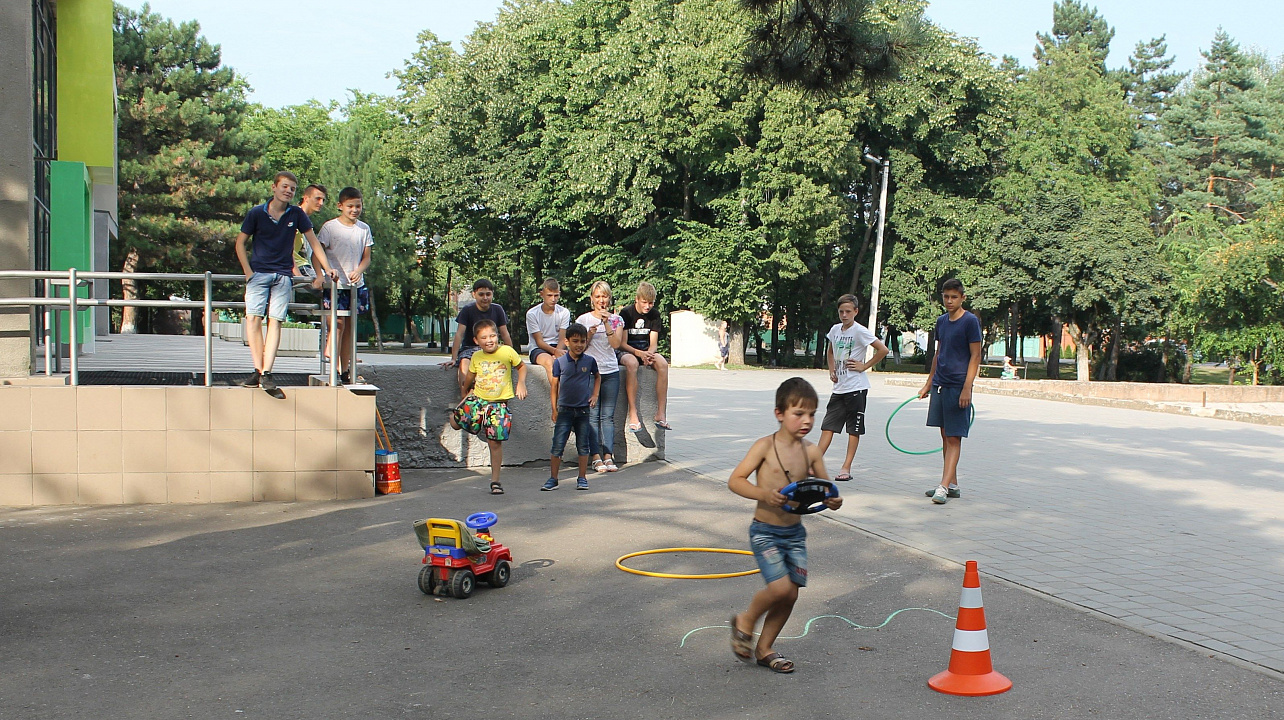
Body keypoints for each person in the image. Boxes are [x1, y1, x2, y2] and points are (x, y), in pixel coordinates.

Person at [728, 377, 841, 674]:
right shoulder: (764, 447)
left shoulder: (812, 451)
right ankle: (746, 620)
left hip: (794, 534)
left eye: (812, 414)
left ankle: (764, 649)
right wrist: (763, 494)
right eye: (798, 413)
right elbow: (735, 481)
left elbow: (824, 488)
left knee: (791, 594)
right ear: (779, 413)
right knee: (779, 588)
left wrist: (832, 500)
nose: (807, 421)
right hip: (765, 532)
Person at [234, 170, 337, 399]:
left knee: (275, 321)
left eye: (292, 188)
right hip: (259, 274)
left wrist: (327, 267)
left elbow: (314, 243)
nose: (288, 191)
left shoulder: (297, 215)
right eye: (284, 187)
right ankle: (257, 370)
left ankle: (267, 371)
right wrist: (248, 272)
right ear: (274, 188)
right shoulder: (256, 213)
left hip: (282, 276)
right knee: (253, 319)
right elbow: (240, 243)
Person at [919, 278, 982, 504]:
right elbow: (939, 353)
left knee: (954, 437)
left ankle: (944, 486)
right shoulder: (941, 321)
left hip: (958, 385)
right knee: (945, 435)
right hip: (941, 384)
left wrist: (967, 388)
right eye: (946, 297)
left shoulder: (970, 321)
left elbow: (975, 355)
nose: (949, 301)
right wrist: (929, 383)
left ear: (962, 297)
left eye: (954, 297)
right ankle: (952, 484)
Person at [449, 319, 527, 495]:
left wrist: (521, 384)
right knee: (455, 422)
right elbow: (470, 376)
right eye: (484, 337)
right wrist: (464, 393)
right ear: (477, 341)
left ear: (497, 336)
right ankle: (457, 415)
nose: (489, 340)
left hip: (498, 406)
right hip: (477, 400)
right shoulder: (476, 356)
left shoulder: (507, 351)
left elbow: (522, 367)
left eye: (492, 335)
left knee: (495, 443)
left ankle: (495, 481)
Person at [817, 294, 888, 482]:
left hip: (856, 388)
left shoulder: (860, 331)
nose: (844, 315)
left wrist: (864, 366)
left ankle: (846, 467)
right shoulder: (835, 330)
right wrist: (832, 370)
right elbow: (830, 350)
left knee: (853, 429)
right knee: (828, 426)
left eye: (848, 311)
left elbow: (883, 350)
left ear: (855, 311)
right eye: (841, 311)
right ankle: (813, 463)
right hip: (839, 388)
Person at [317, 187, 373, 384]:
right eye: (350, 206)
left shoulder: (364, 229)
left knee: (350, 327)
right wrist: (321, 275)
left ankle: (345, 369)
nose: (354, 210)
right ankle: (333, 366)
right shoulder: (330, 228)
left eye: (358, 206)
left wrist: (359, 271)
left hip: (355, 285)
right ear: (340, 206)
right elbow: (318, 252)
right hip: (335, 284)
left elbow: (367, 258)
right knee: (338, 324)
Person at [543, 323, 600, 492]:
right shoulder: (559, 362)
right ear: (567, 342)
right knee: (557, 445)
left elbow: (598, 377)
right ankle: (553, 479)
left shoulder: (590, 361)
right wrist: (554, 409)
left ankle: (582, 478)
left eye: (582, 341)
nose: (579, 345)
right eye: (575, 341)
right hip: (565, 410)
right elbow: (554, 386)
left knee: (583, 445)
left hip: (583, 410)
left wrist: (595, 394)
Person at [576, 281, 624, 473]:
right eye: (597, 296)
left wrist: (606, 323)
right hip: (590, 373)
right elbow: (579, 347)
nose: (601, 300)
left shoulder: (616, 320)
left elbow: (616, 344)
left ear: (609, 298)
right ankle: (595, 456)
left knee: (608, 417)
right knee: (592, 416)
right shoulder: (583, 320)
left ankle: (608, 456)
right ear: (592, 299)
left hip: (611, 371)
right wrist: (588, 334)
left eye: (604, 296)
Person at [443, 279, 515, 399]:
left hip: (491, 348)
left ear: (492, 294)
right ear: (474, 294)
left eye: (488, 294)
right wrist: (454, 358)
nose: (485, 298)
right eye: (481, 294)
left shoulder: (498, 309)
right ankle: (464, 396)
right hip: (470, 348)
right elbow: (459, 334)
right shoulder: (467, 310)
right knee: (464, 364)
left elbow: (505, 333)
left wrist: (511, 354)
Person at [618, 282, 672, 432]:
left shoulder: (654, 315)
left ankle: (660, 414)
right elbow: (622, 343)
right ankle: (633, 413)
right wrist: (639, 353)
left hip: (645, 350)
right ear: (637, 299)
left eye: (651, 303)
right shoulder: (626, 313)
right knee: (632, 364)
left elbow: (653, 343)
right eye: (644, 302)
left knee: (662, 364)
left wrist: (649, 353)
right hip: (629, 350)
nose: (647, 306)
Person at [525, 278, 571, 410]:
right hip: (538, 349)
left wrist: (558, 352)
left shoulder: (564, 312)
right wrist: (555, 352)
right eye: (549, 295)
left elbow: (563, 338)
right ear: (542, 294)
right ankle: (562, 402)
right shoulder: (532, 314)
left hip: (558, 346)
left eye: (556, 295)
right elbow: (539, 341)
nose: (553, 299)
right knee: (550, 363)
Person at [294, 184, 327, 280]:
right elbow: (286, 249)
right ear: (306, 198)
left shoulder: (306, 221)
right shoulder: (295, 217)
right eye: (318, 199)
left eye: (323, 200)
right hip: (296, 266)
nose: (321, 203)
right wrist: (298, 276)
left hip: (304, 265)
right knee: (326, 285)